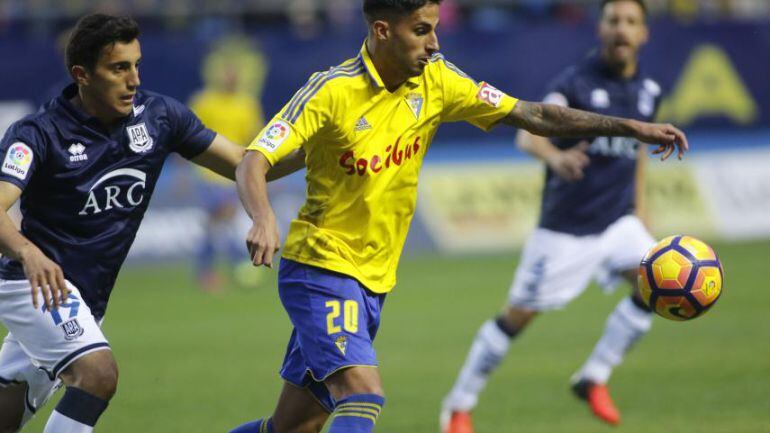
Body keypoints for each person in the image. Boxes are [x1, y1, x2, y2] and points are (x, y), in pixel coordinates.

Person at [230, 1, 686, 433]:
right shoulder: (331, 90)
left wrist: (631, 127)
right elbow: (254, 159)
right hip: (321, 268)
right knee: (363, 395)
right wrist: (262, 216)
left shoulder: (438, 80)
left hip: (373, 279)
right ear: (382, 30)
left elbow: (533, 114)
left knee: (291, 428)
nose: (434, 44)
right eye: (422, 30)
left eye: (436, 29)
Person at [0, 14, 293, 433]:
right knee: (98, 375)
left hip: (86, 303)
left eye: (137, 65)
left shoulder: (159, 117)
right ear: (82, 74)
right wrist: (29, 253)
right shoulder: (38, 134)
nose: (134, 79)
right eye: (119, 68)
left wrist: (322, 152)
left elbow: (246, 162)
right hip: (35, 287)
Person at [440, 0, 661, 430]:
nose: (621, 29)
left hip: (619, 222)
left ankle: (595, 375)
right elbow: (527, 135)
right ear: (600, 28)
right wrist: (555, 159)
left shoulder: (648, 91)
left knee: (658, 281)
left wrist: (642, 215)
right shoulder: (575, 83)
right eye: (614, 20)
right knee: (516, 318)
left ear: (644, 34)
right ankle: (458, 405)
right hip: (566, 230)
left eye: (631, 22)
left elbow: (637, 158)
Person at [188, 37, 268, 293]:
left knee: (218, 225)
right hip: (208, 171)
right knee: (220, 218)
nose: (230, 78)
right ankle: (232, 266)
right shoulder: (205, 101)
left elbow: (254, 138)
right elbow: (187, 134)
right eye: (226, 74)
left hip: (235, 172)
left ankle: (210, 270)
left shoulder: (246, 104)